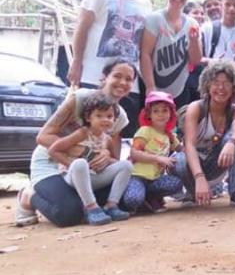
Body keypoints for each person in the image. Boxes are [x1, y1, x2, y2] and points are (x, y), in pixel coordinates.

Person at [16, 59, 137, 227]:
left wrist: (105, 154)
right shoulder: (80, 98)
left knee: (125, 198)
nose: (123, 82)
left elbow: (113, 158)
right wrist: (85, 152)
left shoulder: (120, 117)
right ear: (104, 77)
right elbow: (43, 137)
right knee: (68, 214)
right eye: (117, 76)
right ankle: (29, 196)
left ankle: (86, 204)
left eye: (129, 79)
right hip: (53, 164)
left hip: (88, 171)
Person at [67, 0, 153, 137]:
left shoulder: (146, 4)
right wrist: (76, 61)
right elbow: (82, 26)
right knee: (84, 133)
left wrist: (149, 85)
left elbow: (142, 47)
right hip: (93, 77)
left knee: (121, 135)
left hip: (128, 85)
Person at [171, 61, 235, 208]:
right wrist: (199, 177)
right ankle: (192, 192)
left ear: (234, 88)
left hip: (217, 162)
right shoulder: (196, 108)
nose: (221, 88)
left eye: (227, 83)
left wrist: (231, 143)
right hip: (192, 164)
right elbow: (189, 145)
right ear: (207, 85)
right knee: (180, 160)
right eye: (216, 83)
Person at [47, 92, 132, 225]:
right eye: (99, 116)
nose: (105, 120)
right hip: (75, 178)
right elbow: (53, 150)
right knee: (80, 163)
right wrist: (71, 164)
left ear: (114, 119)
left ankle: (111, 205)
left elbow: (114, 162)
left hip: (95, 177)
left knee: (126, 165)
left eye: (109, 116)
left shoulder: (107, 139)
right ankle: (91, 208)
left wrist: (106, 159)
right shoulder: (82, 133)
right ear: (88, 117)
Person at [139, 0, 202, 109]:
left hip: (180, 89)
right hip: (153, 85)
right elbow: (145, 53)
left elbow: (195, 60)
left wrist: (194, 41)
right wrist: (150, 87)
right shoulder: (154, 19)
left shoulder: (192, 23)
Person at [122, 91, 184, 213]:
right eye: (156, 111)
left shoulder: (170, 136)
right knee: (133, 200)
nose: (161, 114)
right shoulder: (145, 130)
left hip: (155, 179)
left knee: (177, 183)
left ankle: (150, 198)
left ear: (171, 113)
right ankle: (142, 199)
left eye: (165, 110)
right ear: (149, 114)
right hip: (137, 176)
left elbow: (182, 149)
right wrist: (158, 158)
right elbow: (134, 153)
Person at [201, 0, 235, 65]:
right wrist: (215, 62)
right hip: (212, 71)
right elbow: (197, 59)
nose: (231, 8)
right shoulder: (207, 29)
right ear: (222, 5)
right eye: (227, 4)